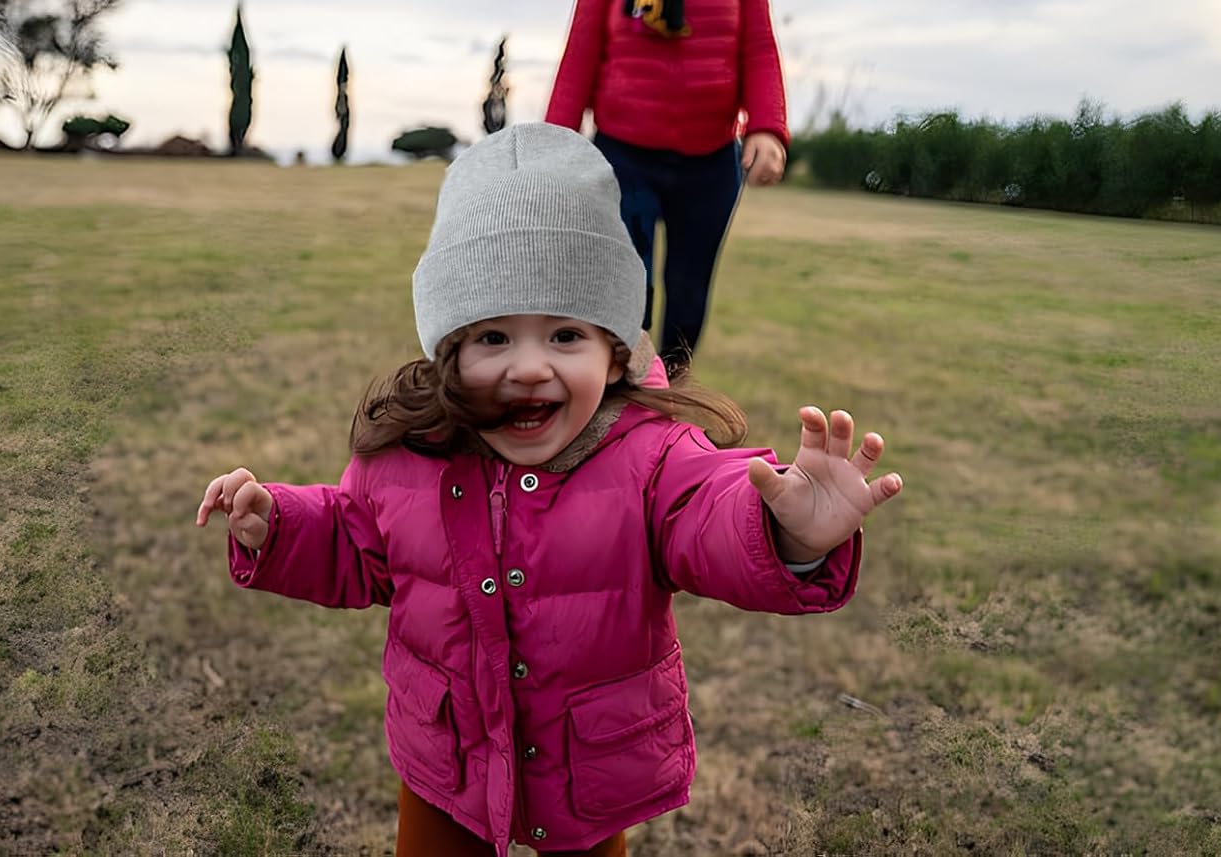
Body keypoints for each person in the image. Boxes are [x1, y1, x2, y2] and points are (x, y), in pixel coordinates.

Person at [194, 124, 899, 857]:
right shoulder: (411, 451)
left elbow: (707, 512)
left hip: (589, 770)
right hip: (448, 758)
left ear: (615, 352)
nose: (529, 367)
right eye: (493, 338)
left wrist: (787, 534)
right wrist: (277, 525)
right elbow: (354, 538)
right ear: (448, 352)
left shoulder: (653, 455)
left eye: (565, 335)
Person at [546, 0, 790, 371]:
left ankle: (673, 387)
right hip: (623, 157)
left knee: (688, 293)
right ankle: (624, 385)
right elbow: (581, 51)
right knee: (627, 286)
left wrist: (767, 127)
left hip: (710, 163)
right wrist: (553, 144)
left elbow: (759, 47)